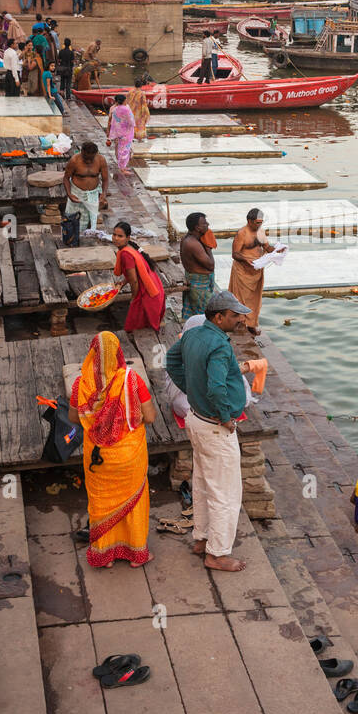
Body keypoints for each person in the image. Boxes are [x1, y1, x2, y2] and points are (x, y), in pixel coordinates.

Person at [165, 291, 252, 573]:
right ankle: (217, 554)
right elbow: (216, 387)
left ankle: (202, 539)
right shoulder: (219, 346)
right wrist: (226, 417)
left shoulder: (193, 335)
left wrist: (191, 389)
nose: (240, 319)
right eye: (235, 315)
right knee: (226, 492)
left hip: (196, 419)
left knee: (202, 482)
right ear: (219, 317)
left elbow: (171, 360)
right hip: (215, 427)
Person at [68, 331, 156, 569]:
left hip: (98, 458)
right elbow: (149, 417)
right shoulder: (131, 380)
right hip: (129, 455)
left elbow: (73, 418)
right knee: (134, 502)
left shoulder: (81, 384)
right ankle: (136, 554)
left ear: (92, 354)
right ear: (118, 353)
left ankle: (105, 555)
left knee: (101, 503)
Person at [228, 208, 274, 337]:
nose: (259, 225)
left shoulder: (261, 232)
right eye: (257, 222)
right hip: (243, 270)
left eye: (261, 222)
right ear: (249, 221)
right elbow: (235, 254)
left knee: (255, 299)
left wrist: (277, 251)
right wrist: (246, 260)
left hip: (257, 270)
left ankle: (252, 324)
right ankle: (240, 324)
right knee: (240, 299)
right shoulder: (242, 233)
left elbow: (267, 247)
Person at [112, 221, 165, 331]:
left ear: (128, 238)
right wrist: (123, 282)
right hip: (154, 284)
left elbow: (134, 281)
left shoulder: (126, 254)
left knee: (137, 326)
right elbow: (134, 273)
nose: (116, 238)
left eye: (120, 236)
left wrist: (133, 298)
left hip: (146, 291)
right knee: (144, 325)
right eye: (114, 235)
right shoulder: (131, 246)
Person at [63, 140, 110, 232]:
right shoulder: (74, 161)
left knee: (91, 219)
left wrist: (103, 193)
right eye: (85, 158)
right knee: (73, 220)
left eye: (91, 159)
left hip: (93, 194)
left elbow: (105, 179)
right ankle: (73, 239)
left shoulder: (101, 160)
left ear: (96, 154)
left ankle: (89, 236)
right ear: (82, 153)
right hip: (77, 194)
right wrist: (69, 194)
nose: (88, 161)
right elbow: (66, 178)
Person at [180, 212, 217, 318]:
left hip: (197, 281)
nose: (208, 225)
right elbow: (210, 265)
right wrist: (208, 247)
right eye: (205, 223)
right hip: (199, 285)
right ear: (197, 228)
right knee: (205, 315)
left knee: (195, 313)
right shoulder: (192, 243)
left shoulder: (187, 239)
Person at [106, 94, 136, 170]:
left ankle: (122, 166)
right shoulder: (126, 109)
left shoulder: (114, 109)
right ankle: (122, 168)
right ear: (123, 101)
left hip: (118, 132)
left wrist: (110, 133)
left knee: (120, 149)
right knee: (124, 150)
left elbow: (111, 121)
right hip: (126, 132)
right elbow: (132, 121)